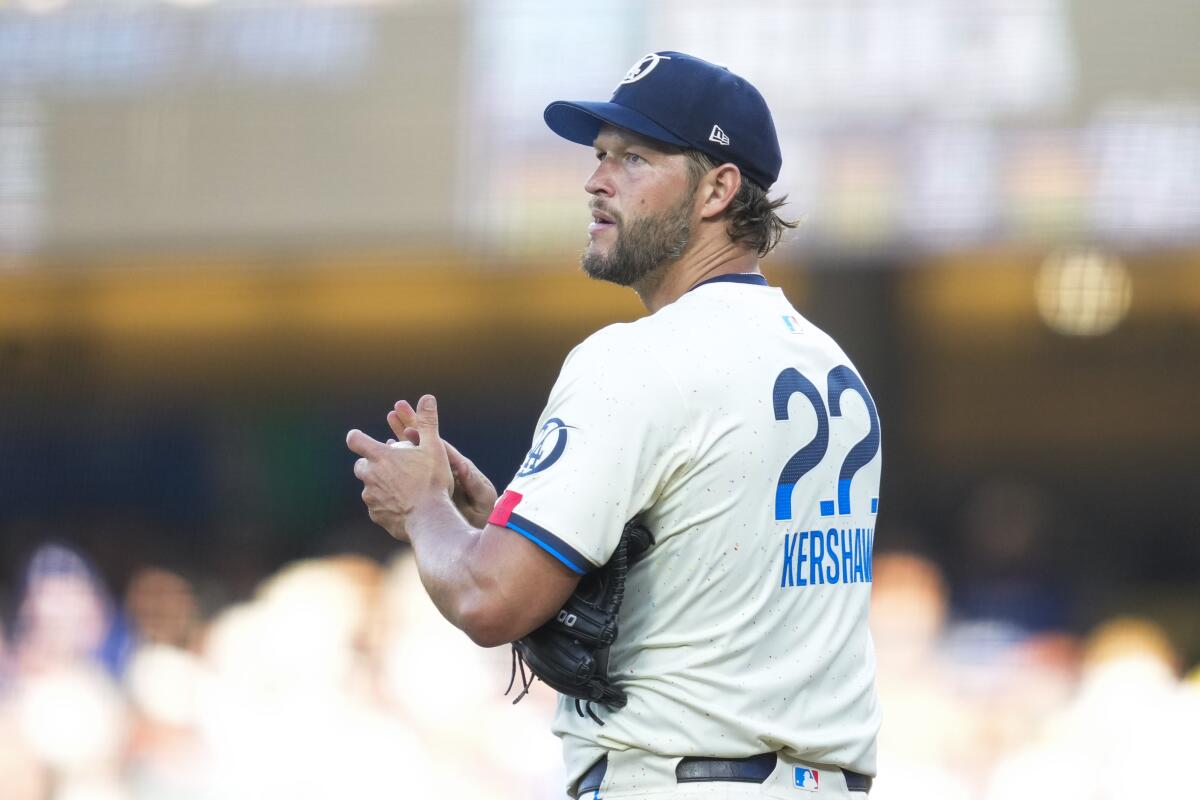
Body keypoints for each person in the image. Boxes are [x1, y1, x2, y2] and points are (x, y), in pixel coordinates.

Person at [348, 51, 882, 799]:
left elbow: (487, 598)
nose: (597, 181)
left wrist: (424, 509)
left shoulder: (639, 358)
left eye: (634, 158)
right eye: (600, 156)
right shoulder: (831, 364)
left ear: (719, 188)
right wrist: (499, 518)